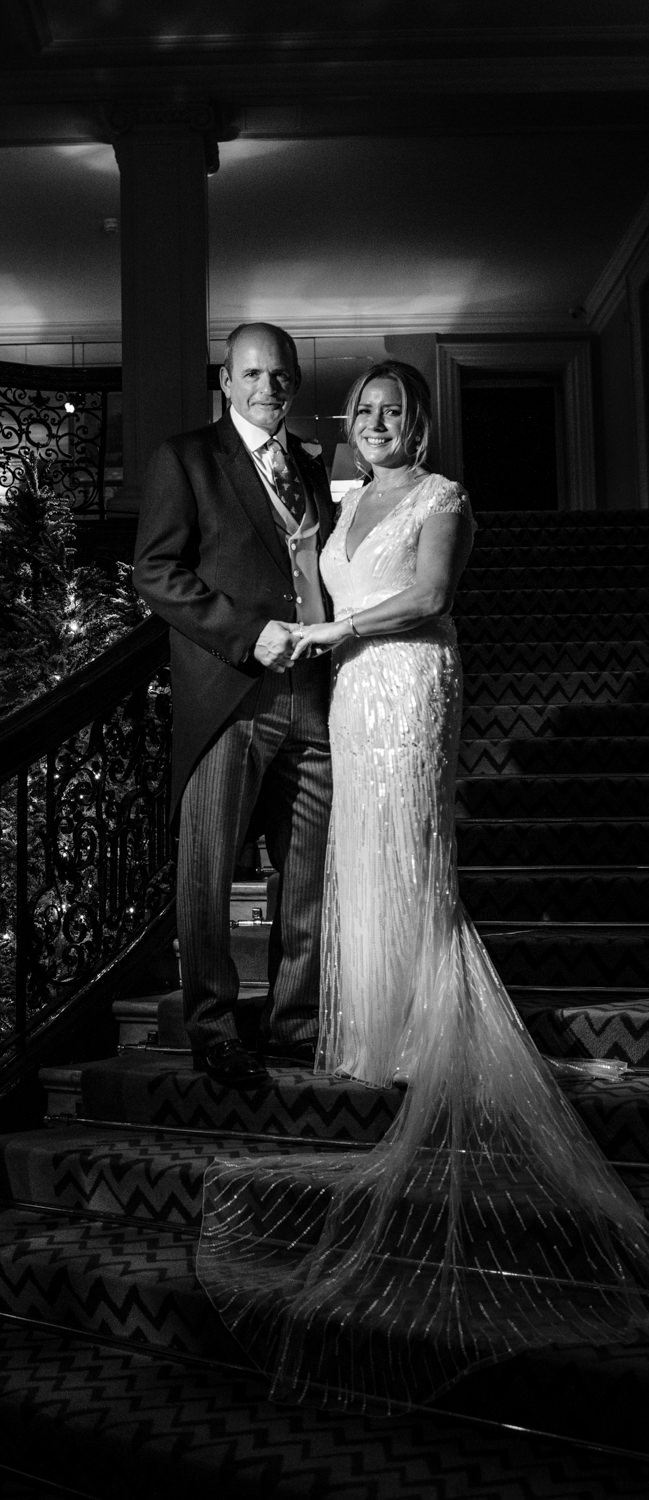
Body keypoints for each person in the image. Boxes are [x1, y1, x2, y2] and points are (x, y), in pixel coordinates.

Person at [197, 360, 649, 1410]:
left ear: (419, 422)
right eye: (362, 410)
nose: (375, 422)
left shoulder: (443, 497)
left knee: (407, 847)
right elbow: (321, 591)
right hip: (351, 695)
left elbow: (432, 596)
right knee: (358, 853)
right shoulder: (343, 505)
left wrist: (337, 629)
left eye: (391, 410)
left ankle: (423, 1027)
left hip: (406, 680)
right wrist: (305, 569)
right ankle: (374, 1026)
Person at [133, 323, 335, 1089]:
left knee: (308, 875)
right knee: (208, 872)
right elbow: (155, 572)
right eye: (250, 374)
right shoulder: (186, 457)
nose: (265, 388)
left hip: (314, 694)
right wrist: (248, 636)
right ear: (224, 381)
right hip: (229, 694)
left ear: (294, 381)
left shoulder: (309, 466)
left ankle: (294, 1024)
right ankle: (213, 1029)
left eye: (278, 375)